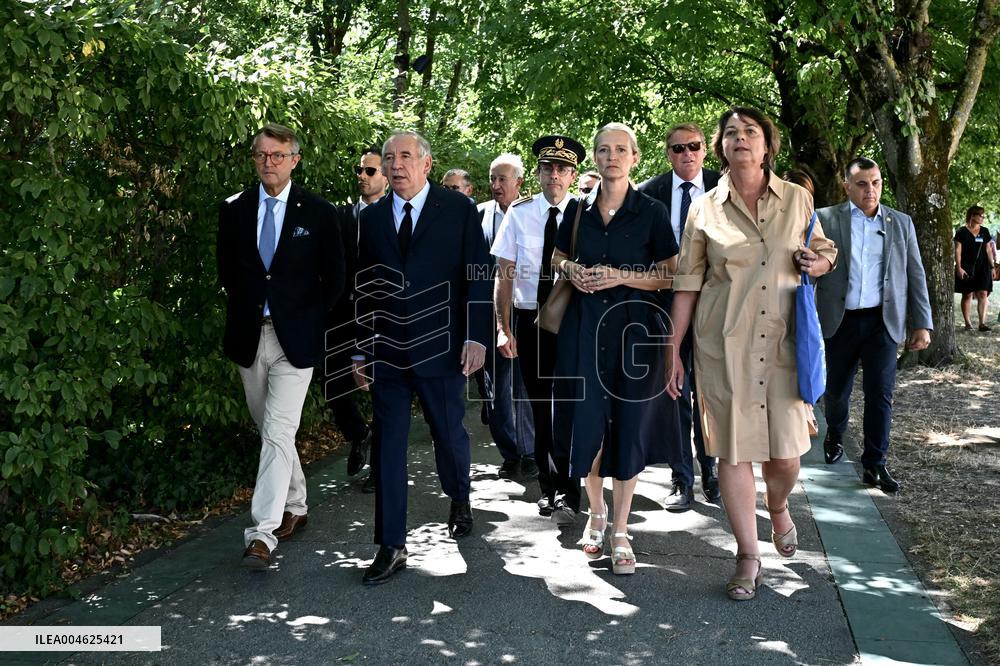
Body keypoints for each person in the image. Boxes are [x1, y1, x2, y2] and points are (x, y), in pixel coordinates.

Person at [666, 107, 837, 600]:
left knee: (786, 454)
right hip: (723, 347)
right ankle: (747, 555)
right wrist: (671, 349)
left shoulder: (799, 199)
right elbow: (688, 282)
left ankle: (778, 507)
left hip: (784, 344)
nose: (741, 139)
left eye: (751, 132)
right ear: (720, 147)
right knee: (731, 451)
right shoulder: (704, 208)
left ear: (767, 145)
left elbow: (824, 250)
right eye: (731, 133)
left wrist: (820, 260)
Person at [352, 131, 492, 585]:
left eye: (405, 157)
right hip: (388, 351)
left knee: (448, 433)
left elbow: (477, 274)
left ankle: (459, 497)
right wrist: (358, 346)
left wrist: (477, 336)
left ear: (426, 164)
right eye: (389, 158)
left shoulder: (457, 210)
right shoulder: (371, 220)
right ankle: (391, 545)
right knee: (388, 446)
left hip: (444, 346)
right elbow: (364, 288)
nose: (396, 165)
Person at [551, 123, 683, 575]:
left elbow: (670, 274)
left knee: (627, 426)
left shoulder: (651, 211)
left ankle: (622, 529)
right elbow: (555, 257)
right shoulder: (577, 209)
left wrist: (621, 275)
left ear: (635, 158)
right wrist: (573, 270)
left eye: (620, 150)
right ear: (594, 157)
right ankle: (595, 514)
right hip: (584, 328)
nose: (611, 156)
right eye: (603, 150)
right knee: (587, 424)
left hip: (633, 331)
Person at [217, 123, 345, 569]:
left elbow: (337, 279)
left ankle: (262, 534)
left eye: (277, 155)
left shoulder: (320, 213)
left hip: (296, 340)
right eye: (261, 155)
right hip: (250, 336)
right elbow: (227, 274)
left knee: (276, 431)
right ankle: (297, 503)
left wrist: (309, 320)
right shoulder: (233, 210)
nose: (268, 163)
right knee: (271, 429)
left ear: (295, 159)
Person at [816, 157, 933, 492]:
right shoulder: (825, 219)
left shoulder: (900, 223)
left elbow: (915, 274)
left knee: (880, 394)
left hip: (883, 321)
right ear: (846, 185)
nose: (871, 190)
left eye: (876, 183)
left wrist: (922, 323)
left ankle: (875, 464)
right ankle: (836, 431)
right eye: (863, 184)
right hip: (840, 320)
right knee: (836, 391)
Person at [492, 135, 585, 522]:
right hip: (530, 322)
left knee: (572, 408)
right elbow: (505, 274)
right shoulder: (520, 212)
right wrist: (502, 327)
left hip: (573, 323)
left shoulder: (586, 214)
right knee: (540, 406)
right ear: (539, 173)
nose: (554, 176)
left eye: (562, 169)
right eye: (548, 168)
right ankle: (550, 489)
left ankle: (572, 487)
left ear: (573, 175)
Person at [638, 122, 721, 509]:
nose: (686, 154)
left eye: (694, 146)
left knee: (709, 391)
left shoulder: (727, 187)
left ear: (705, 149)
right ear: (667, 153)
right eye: (677, 148)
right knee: (675, 391)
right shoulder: (649, 194)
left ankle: (711, 467)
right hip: (666, 309)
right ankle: (680, 478)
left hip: (717, 308)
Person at [327, 147, 388, 494]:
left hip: (380, 318)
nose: (362, 177)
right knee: (334, 386)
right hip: (342, 314)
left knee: (382, 391)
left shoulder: (396, 216)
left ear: (383, 176)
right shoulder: (342, 216)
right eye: (359, 171)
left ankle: (379, 468)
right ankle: (358, 434)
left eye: (370, 171)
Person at [477, 154, 536, 480]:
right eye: (493, 178)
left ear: (519, 183)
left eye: (503, 179)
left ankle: (530, 452)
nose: (496, 185)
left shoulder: (533, 213)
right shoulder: (479, 216)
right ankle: (510, 452)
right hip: (490, 314)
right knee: (495, 388)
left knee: (525, 385)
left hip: (528, 312)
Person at [954, 205, 995, 332]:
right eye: (980, 215)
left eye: (984, 216)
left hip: (983, 267)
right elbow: (957, 250)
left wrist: (992, 266)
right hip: (966, 267)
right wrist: (959, 267)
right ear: (972, 215)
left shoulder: (984, 231)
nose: (983, 218)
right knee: (967, 295)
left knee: (983, 293)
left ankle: (982, 323)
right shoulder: (961, 232)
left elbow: (988, 249)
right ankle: (968, 323)